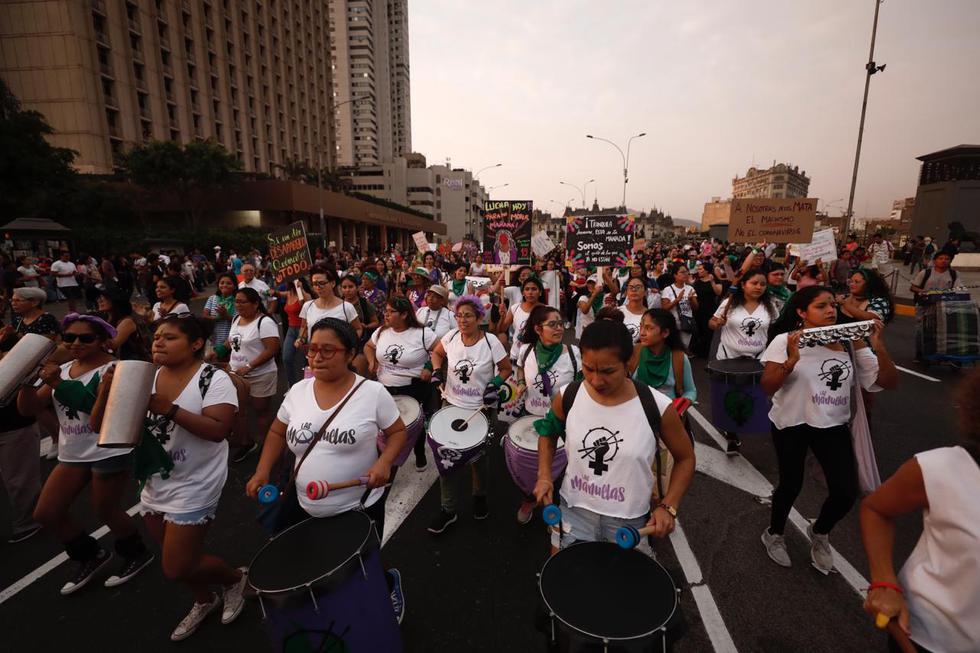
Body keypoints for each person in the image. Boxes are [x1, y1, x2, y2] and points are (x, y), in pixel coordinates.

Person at [94, 314, 247, 641]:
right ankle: (205, 599)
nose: (158, 342)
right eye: (156, 336)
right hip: (155, 480)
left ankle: (235, 579)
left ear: (194, 344)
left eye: (170, 337)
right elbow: (101, 429)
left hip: (196, 481)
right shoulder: (144, 377)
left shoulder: (212, 379)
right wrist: (106, 391)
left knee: (175, 565)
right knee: (178, 560)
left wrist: (170, 409)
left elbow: (220, 431)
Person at [246, 318, 408, 623]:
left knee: (364, 561)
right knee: (318, 560)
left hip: (358, 504)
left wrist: (383, 462)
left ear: (349, 354)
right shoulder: (297, 391)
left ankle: (388, 586)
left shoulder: (372, 393)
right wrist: (262, 470)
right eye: (312, 350)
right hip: (304, 502)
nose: (317, 357)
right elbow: (277, 433)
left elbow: (398, 432)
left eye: (328, 350)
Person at [759, 286, 897, 573]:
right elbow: (767, 386)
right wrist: (791, 361)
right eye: (821, 306)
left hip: (832, 424)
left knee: (846, 491)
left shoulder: (851, 342)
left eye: (832, 305)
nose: (831, 310)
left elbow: (887, 383)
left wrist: (879, 347)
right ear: (801, 312)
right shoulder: (785, 340)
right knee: (790, 484)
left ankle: (820, 532)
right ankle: (774, 533)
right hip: (792, 423)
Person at [533, 319, 696, 553]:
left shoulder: (657, 406)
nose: (596, 380)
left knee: (621, 586)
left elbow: (686, 458)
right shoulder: (568, 395)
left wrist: (669, 506)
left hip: (629, 522)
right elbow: (547, 434)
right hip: (574, 511)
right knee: (568, 578)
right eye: (589, 369)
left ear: (628, 361)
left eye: (608, 371)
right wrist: (544, 475)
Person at [17, 314, 152, 595]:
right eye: (69, 338)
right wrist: (27, 381)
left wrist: (56, 385)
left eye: (85, 338)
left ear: (103, 341)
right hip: (73, 453)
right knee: (46, 512)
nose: (76, 343)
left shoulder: (114, 370)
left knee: (105, 510)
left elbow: (98, 414)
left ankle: (136, 552)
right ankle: (90, 555)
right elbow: (28, 410)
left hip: (109, 450)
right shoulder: (64, 369)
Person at [859, 369, 979, 653]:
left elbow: (886, 380)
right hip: (925, 638)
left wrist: (874, 345)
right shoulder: (943, 469)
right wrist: (884, 583)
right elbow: (875, 509)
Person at [427, 296, 512, 533]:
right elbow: (437, 353)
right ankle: (448, 509)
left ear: (479, 318)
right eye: (459, 315)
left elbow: (506, 368)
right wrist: (435, 370)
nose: (463, 320)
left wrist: (494, 384)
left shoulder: (491, 341)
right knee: (447, 457)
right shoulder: (451, 337)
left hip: (480, 410)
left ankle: (480, 495)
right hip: (451, 404)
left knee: (478, 459)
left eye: (468, 316)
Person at [514, 305, 581, 524]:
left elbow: (582, 387)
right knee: (532, 466)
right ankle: (529, 498)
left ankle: (556, 511)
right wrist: (522, 383)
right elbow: (519, 368)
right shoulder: (526, 351)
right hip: (531, 418)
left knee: (560, 469)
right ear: (538, 328)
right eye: (552, 324)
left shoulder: (573, 354)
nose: (559, 328)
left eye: (560, 323)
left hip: (562, 424)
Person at [365, 296, 437, 472]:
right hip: (385, 388)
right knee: (385, 425)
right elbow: (368, 346)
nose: (386, 315)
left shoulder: (422, 333)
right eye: (386, 311)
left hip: (413, 388)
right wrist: (371, 362)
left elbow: (439, 351)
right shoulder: (382, 331)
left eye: (391, 312)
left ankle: (419, 452)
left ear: (404, 314)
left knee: (414, 424)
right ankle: (386, 461)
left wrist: (429, 366)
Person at [217, 288, 281, 463]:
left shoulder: (265, 322)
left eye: (242, 301)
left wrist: (249, 366)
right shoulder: (236, 319)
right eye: (236, 301)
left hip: (261, 374)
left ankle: (265, 442)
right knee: (238, 410)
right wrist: (220, 350)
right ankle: (245, 442)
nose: (238, 305)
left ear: (255, 304)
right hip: (235, 372)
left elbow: (272, 349)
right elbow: (233, 341)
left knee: (260, 410)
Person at [630, 309, 697, 403]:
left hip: (668, 415)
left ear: (665, 333)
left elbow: (690, 391)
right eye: (641, 327)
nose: (642, 333)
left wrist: (681, 404)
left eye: (649, 328)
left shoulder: (679, 358)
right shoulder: (633, 353)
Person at [909, 250, 957, 362]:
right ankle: (920, 353)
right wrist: (922, 291)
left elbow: (959, 287)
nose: (944, 261)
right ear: (935, 261)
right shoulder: (925, 273)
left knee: (943, 330)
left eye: (947, 259)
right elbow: (913, 287)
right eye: (941, 258)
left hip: (945, 307)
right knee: (921, 330)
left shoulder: (954, 274)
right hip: (924, 306)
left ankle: (940, 352)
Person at [297, 268, 363, 348]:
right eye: (314, 284)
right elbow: (304, 327)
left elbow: (358, 329)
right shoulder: (307, 306)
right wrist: (301, 339)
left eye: (322, 283)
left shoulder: (346, 307)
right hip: (314, 356)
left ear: (333, 283)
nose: (318, 287)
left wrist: (348, 346)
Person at [94, 288, 149, 361]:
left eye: (104, 298)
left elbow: (112, 345)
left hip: (131, 364)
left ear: (115, 300)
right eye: (99, 298)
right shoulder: (105, 318)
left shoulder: (127, 321)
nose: (99, 301)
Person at [499, 276, 545, 359]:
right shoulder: (515, 308)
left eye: (534, 289)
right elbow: (501, 329)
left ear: (540, 292)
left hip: (536, 358)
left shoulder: (547, 310)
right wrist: (502, 317)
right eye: (527, 289)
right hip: (516, 357)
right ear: (523, 293)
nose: (530, 292)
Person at [278, 277, 313, 387]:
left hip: (304, 330)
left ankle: (307, 386)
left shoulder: (303, 294)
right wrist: (272, 292)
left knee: (307, 361)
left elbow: (309, 303)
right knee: (286, 358)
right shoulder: (289, 293)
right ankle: (293, 386)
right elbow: (280, 293)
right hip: (291, 329)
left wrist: (301, 289)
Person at [661, 263, 699, 350]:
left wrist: (691, 299)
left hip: (686, 324)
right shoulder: (668, 289)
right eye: (682, 272)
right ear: (675, 275)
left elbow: (696, 308)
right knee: (673, 349)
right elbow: (664, 308)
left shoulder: (690, 288)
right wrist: (677, 300)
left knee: (683, 349)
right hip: (673, 325)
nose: (685, 274)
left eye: (686, 272)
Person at [202, 273, 238, 362]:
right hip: (214, 338)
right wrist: (218, 318)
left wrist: (226, 315)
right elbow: (205, 316)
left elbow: (239, 321)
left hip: (230, 340)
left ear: (234, 286)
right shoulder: (212, 298)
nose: (224, 285)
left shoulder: (237, 301)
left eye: (229, 283)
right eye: (222, 283)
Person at [620, 277, 649, 344]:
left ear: (645, 292)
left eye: (638, 287)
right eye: (631, 287)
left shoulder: (650, 315)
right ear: (626, 292)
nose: (634, 289)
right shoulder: (618, 311)